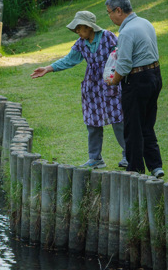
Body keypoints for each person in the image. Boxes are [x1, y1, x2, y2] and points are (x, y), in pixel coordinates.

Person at [31, 10, 126, 169]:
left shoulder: (108, 37)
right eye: (76, 29)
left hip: (111, 82)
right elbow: (69, 60)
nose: (77, 31)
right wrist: (48, 68)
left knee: (118, 119)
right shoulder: (81, 43)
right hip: (92, 86)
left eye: (79, 28)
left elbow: (122, 54)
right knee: (92, 122)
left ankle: (129, 155)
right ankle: (95, 158)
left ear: (89, 27)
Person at [103, 0, 163, 178]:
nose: (110, 17)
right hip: (155, 75)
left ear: (119, 11)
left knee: (133, 126)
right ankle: (156, 166)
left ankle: (135, 169)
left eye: (109, 13)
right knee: (147, 124)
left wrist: (113, 81)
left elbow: (124, 64)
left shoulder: (127, 32)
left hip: (137, 80)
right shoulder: (145, 22)